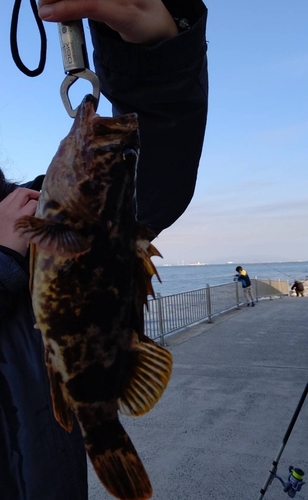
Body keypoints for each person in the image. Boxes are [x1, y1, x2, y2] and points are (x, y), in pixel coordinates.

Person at [1, 1, 209, 498]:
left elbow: (153, 176)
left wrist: (154, 44)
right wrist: (6, 264)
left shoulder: (23, 210)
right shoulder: (27, 225)